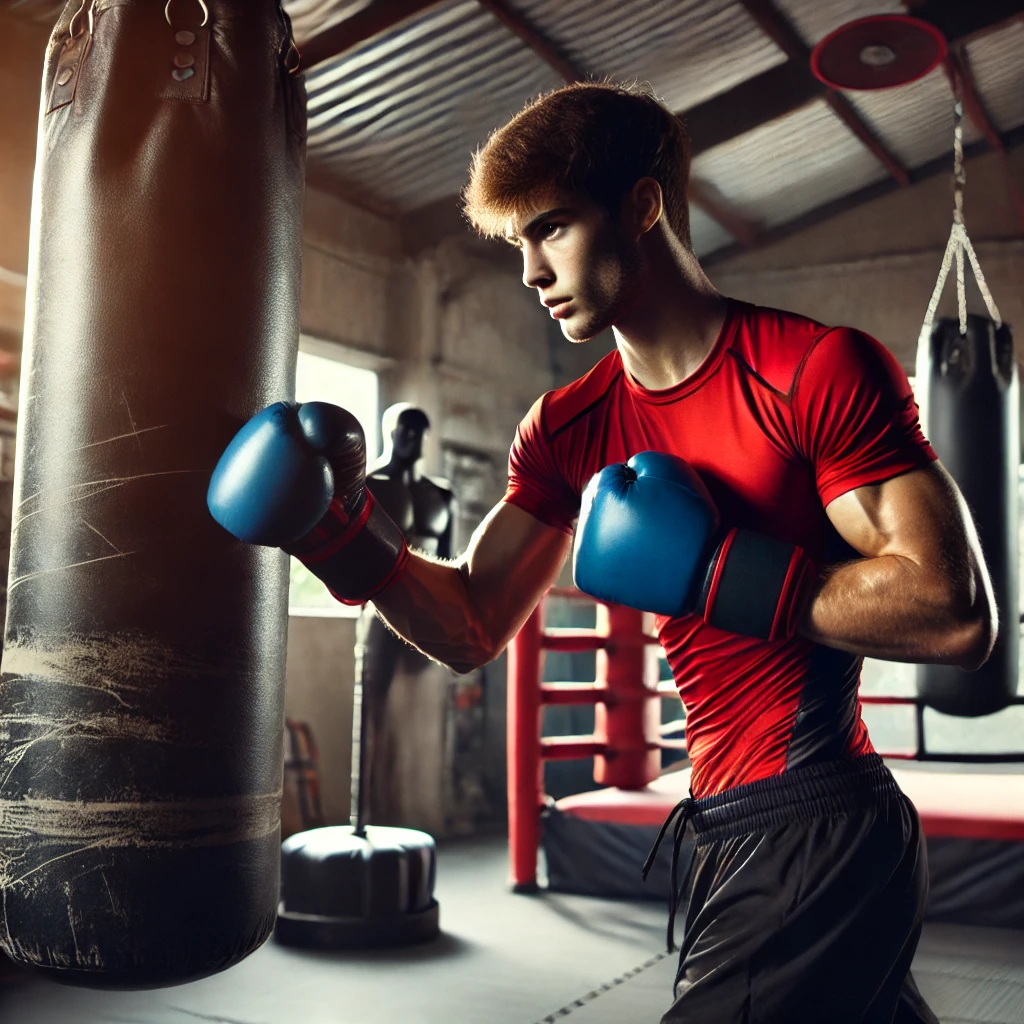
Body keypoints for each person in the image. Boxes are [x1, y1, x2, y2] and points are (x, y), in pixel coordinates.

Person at [208, 82, 996, 1023]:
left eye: (551, 230)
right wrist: (338, 538)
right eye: (519, 247)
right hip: (724, 830)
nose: (533, 272)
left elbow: (953, 612)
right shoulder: (568, 427)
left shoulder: (810, 372)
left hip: (820, 823)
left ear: (643, 206)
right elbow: (470, 624)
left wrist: (715, 573)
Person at [354, 403, 454, 825]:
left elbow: (451, 561)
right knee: (373, 712)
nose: (412, 440)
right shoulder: (366, 485)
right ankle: (370, 815)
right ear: (388, 433)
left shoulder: (440, 495)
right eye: (404, 431)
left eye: (420, 432)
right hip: (378, 609)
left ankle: (422, 814)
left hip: (428, 611)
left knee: (426, 714)